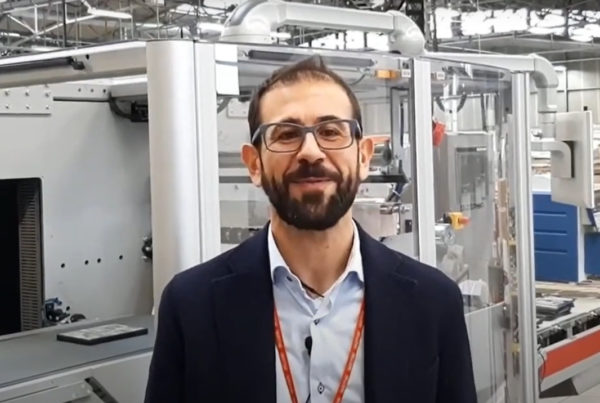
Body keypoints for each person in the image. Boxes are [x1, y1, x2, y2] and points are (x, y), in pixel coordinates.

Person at [144, 56, 477, 403]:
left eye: (331, 131)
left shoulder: (433, 302)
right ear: (254, 164)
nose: (311, 152)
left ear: (364, 156)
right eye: (286, 134)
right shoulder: (191, 305)